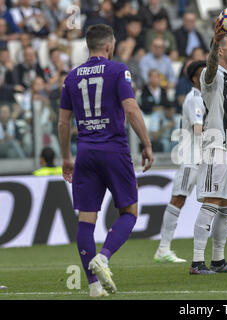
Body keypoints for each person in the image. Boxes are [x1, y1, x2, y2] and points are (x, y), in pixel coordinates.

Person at [58, 24, 154, 297]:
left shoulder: (72, 76)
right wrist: (146, 143)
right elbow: (131, 108)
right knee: (129, 212)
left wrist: (67, 157)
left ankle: (93, 286)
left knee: (86, 222)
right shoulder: (117, 70)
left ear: (89, 46)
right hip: (113, 149)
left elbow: (63, 121)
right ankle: (104, 257)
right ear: (109, 46)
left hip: (85, 153)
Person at [154, 61, 227, 263]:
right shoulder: (194, 99)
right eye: (204, 73)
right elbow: (198, 129)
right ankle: (163, 248)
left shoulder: (206, 98)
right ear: (197, 78)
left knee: (219, 199)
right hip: (192, 158)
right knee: (179, 199)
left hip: (204, 157)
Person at [189, 19, 227, 275]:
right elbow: (210, 69)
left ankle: (219, 260)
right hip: (216, 147)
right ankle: (197, 262)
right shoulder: (209, 73)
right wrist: (213, 44)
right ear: (219, 49)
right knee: (211, 203)